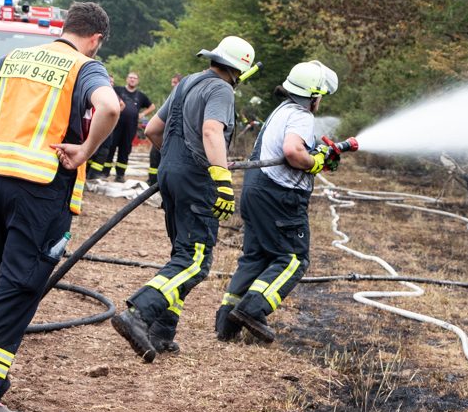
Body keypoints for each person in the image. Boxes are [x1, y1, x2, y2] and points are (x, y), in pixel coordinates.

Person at [0, 2, 120, 412]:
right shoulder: (84, 67)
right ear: (95, 39)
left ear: (65, 27)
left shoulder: (18, 58)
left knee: (0, 283)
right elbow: (111, 108)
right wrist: (86, 149)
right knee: (19, 288)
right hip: (39, 191)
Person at [111, 36, 256, 362]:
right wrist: (221, 178)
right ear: (239, 70)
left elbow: (153, 130)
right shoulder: (221, 89)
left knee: (181, 255)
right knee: (194, 261)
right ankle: (139, 313)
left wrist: (175, 163)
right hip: (196, 180)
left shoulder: (188, 82)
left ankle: (161, 332)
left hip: (169, 174)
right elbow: (211, 131)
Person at [215, 60, 339, 343]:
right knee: (293, 259)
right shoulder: (301, 115)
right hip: (279, 196)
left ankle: (227, 323)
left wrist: (317, 153)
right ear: (314, 94)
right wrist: (315, 162)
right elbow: (294, 152)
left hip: (256, 189)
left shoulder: (281, 110)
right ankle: (252, 310)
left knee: (256, 256)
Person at [104, 71, 155, 182]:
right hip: (115, 125)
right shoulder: (118, 90)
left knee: (125, 150)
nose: (132, 79)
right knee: (111, 147)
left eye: (135, 78)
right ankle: (105, 172)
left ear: (137, 81)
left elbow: (152, 106)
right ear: (127, 79)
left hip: (130, 128)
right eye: (130, 77)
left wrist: (143, 114)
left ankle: (120, 175)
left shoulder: (140, 96)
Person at [87, 74, 125, 179]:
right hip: (95, 124)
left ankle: (94, 174)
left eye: (112, 82)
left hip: (108, 126)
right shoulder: (98, 91)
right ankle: (87, 172)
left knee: (104, 150)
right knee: (93, 147)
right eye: (109, 81)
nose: (111, 84)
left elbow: (122, 105)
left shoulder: (113, 94)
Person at [147, 73, 181, 187]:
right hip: (161, 133)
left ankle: (161, 184)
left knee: (164, 160)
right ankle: (152, 182)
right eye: (172, 83)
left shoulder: (182, 97)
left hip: (170, 136)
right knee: (154, 158)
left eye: (175, 83)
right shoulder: (172, 96)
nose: (173, 86)